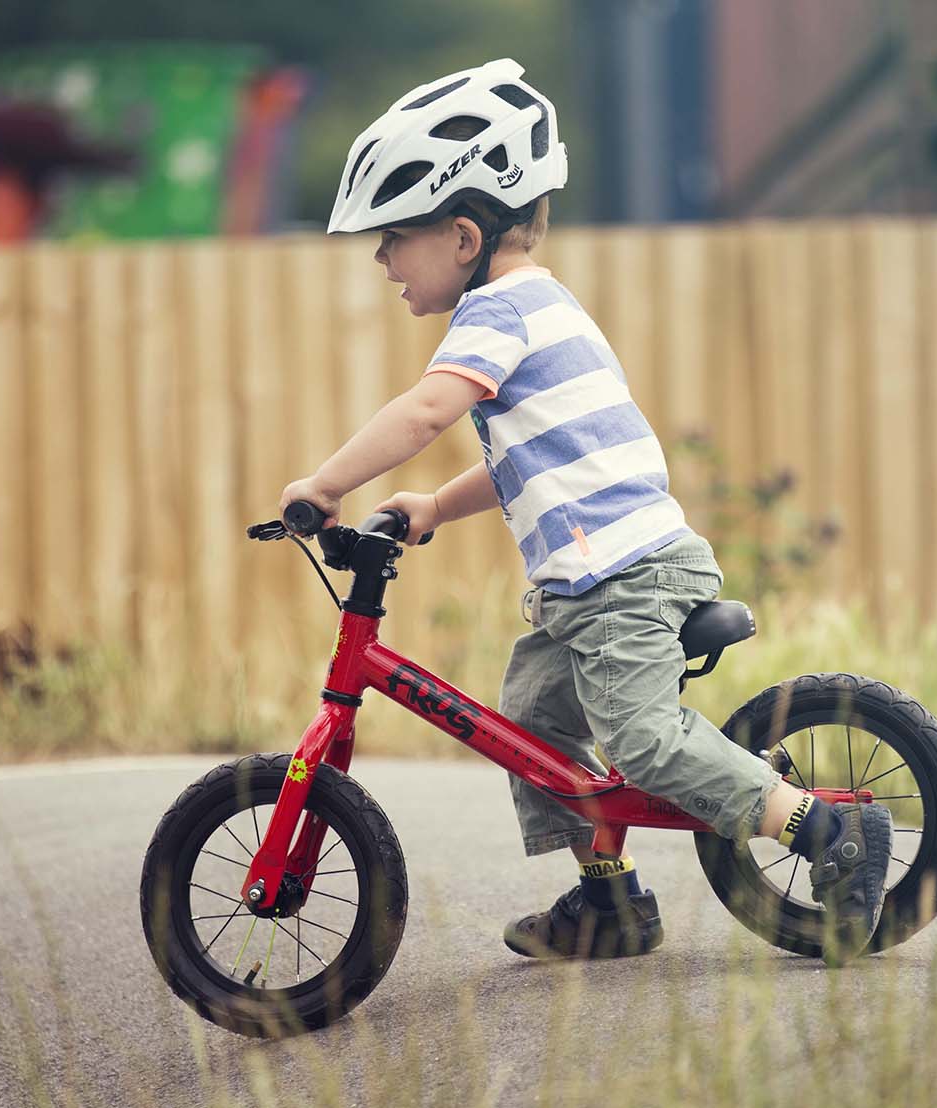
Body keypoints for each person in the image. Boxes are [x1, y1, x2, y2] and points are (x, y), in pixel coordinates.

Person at [278, 59, 892, 967]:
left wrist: (323, 486)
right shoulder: (538, 305)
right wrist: (434, 506)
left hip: (627, 579)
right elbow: (532, 460)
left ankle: (823, 832)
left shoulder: (498, 310)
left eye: (392, 237)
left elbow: (424, 411)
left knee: (642, 740)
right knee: (531, 727)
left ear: (459, 234)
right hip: (590, 586)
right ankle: (609, 901)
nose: (380, 260)